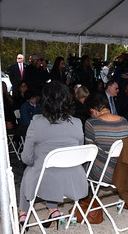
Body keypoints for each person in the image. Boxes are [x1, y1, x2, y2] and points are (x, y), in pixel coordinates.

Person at [18, 80, 88, 224]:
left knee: (30, 169)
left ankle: (23, 213)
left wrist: (37, 160)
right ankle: (52, 210)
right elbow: (78, 153)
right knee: (49, 167)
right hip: (73, 179)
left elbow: (26, 158)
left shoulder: (36, 124)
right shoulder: (77, 123)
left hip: (44, 180)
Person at [83, 92, 128, 183]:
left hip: (103, 173)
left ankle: (90, 193)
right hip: (124, 171)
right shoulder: (124, 121)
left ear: (93, 110)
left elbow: (89, 152)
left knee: (80, 167)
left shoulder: (91, 123)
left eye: (91, 113)